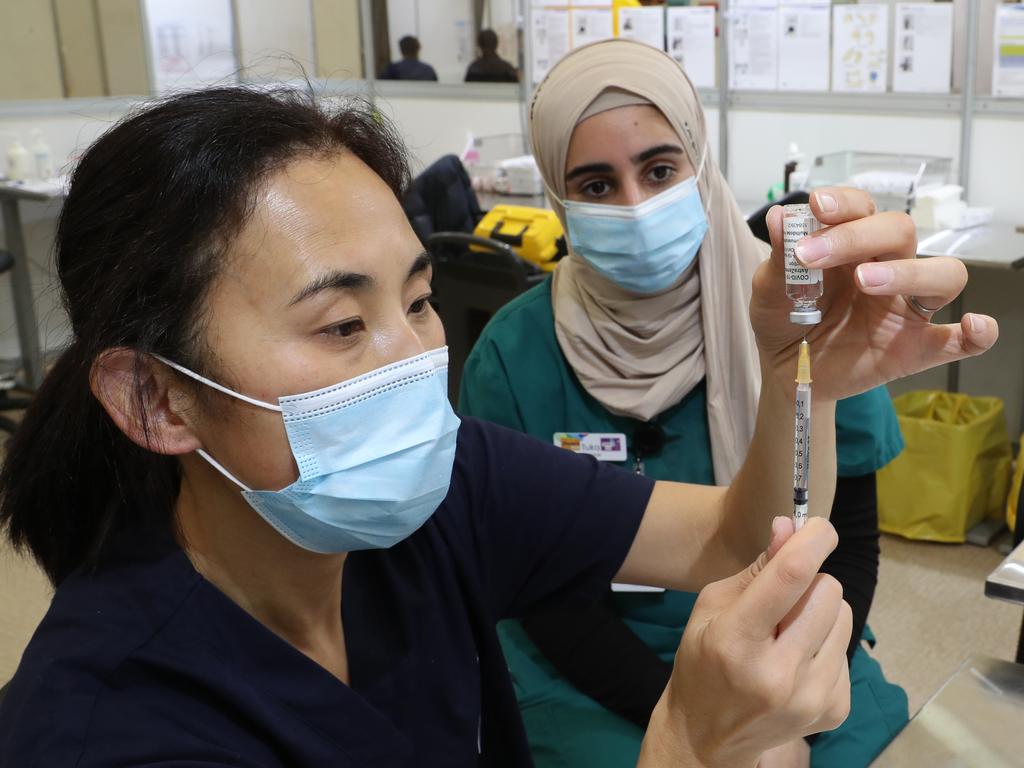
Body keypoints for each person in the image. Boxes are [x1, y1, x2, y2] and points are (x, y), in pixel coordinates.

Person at [0, 84, 993, 768]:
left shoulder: (445, 489)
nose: (414, 364)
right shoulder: (109, 729)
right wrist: (688, 742)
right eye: (342, 325)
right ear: (154, 399)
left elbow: (731, 537)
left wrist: (797, 378)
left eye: (421, 303)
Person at [458, 40, 922, 768]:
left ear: (700, 165)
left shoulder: (801, 319)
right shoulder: (513, 356)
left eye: (659, 169)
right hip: (598, 677)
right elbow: (539, 589)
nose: (638, 206)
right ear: (557, 195)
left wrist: (785, 694)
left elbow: (850, 540)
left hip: (791, 637)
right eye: (598, 186)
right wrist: (705, 721)